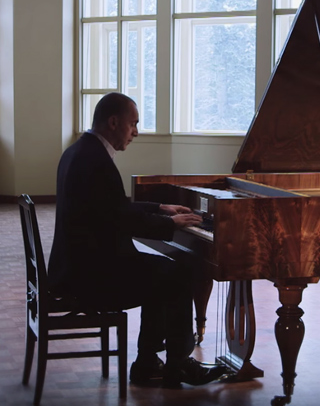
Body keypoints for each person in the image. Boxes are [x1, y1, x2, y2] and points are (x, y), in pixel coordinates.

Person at [47, 92, 225, 387]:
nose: (136, 132)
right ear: (113, 122)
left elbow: (111, 208)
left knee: (162, 273)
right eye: (133, 124)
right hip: (90, 277)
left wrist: (159, 208)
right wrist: (169, 224)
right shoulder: (96, 161)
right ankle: (179, 364)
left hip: (76, 265)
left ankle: (148, 364)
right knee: (177, 274)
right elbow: (119, 219)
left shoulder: (79, 151)